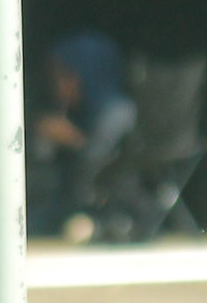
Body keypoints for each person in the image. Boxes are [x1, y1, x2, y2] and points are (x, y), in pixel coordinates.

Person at [29, 30, 136, 241]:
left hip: (105, 207)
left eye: (66, 76)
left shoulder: (117, 112)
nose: (59, 87)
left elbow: (99, 162)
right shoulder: (80, 112)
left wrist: (74, 140)